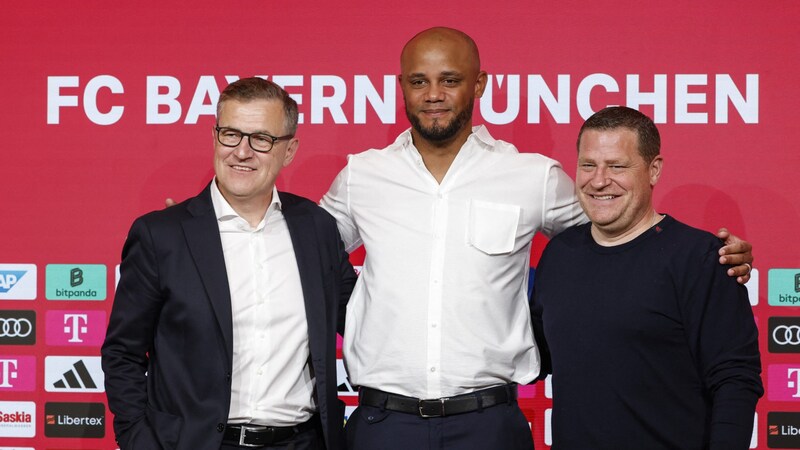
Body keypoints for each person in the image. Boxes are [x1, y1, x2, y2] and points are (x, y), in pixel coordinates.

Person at [319, 27, 754, 450]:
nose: (434, 94)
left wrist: (704, 257)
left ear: (479, 84)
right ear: (402, 86)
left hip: (490, 424)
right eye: (419, 81)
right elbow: (303, 250)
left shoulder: (532, 176)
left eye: (450, 80)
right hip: (383, 422)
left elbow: (619, 224)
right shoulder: (363, 175)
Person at [102, 77, 356, 450]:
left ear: (289, 151)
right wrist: (138, 439)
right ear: (214, 137)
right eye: (231, 135)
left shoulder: (315, 228)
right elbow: (122, 352)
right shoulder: (162, 236)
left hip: (302, 442)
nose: (242, 151)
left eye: (262, 139)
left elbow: (359, 319)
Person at [531, 106, 762, 449]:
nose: (598, 180)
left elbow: (735, 378)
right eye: (588, 165)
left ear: (653, 170)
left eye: (617, 166)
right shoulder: (559, 254)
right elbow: (536, 357)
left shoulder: (700, 258)